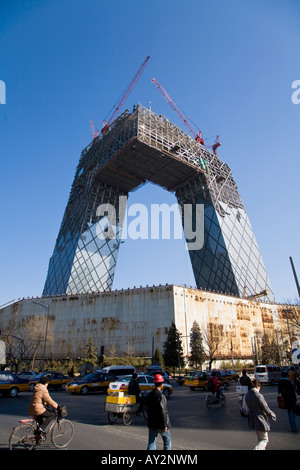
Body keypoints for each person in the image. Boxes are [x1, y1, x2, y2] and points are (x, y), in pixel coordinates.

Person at [245, 379, 276, 450]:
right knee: (265, 439)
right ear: (258, 386)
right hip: (260, 419)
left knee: (260, 438)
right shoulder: (258, 395)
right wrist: (272, 416)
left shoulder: (247, 395)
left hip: (252, 418)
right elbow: (266, 408)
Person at [146, 374, 171, 450]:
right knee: (167, 441)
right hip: (160, 424)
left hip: (152, 423)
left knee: (151, 442)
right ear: (162, 384)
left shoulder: (149, 394)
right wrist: (165, 425)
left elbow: (146, 408)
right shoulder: (161, 396)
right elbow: (163, 411)